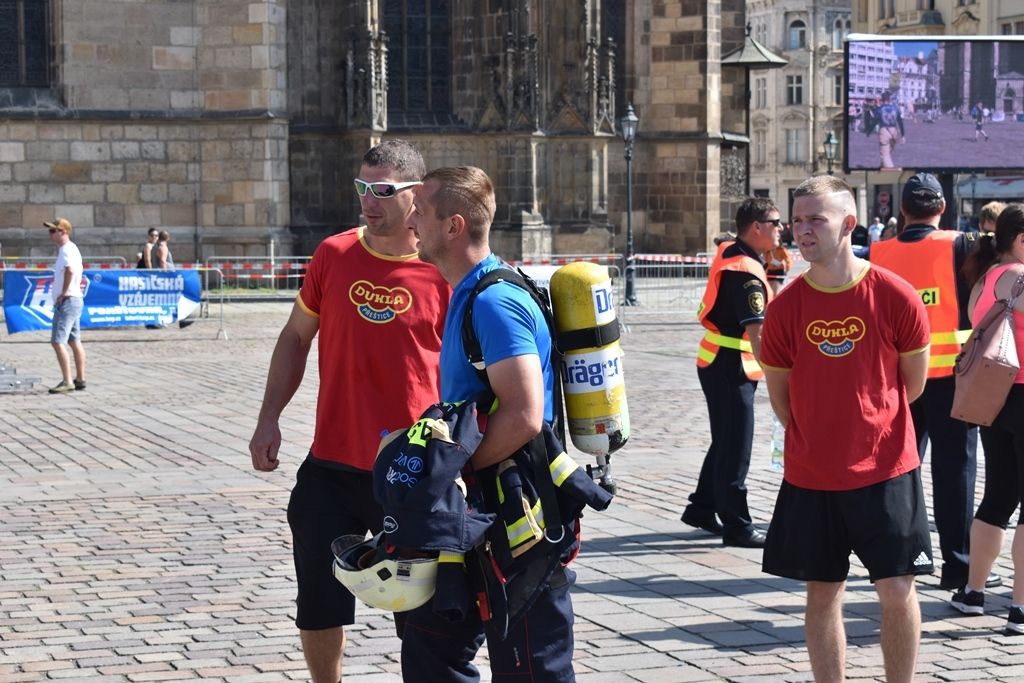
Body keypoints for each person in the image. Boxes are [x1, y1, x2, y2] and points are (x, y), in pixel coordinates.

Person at [247, 140, 449, 683]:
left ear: (416, 195)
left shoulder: (443, 272)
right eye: (363, 188)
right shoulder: (333, 255)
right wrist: (269, 417)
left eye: (382, 191)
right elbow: (295, 338)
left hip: (410, 473)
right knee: (317, 600)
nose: (368, 201)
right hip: (331, 464)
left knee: (421, 614)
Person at [402, 165, 578, 681]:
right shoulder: (467, 290)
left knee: (530, 667)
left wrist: (456, 470)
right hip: (478, 510)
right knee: (431, 649)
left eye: (421, 212)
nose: (410, 221)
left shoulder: (496, 302)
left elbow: (523, 414)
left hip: (518, 510)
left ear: (453, 226)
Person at [759, 176, 933, 683]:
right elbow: (781, 396)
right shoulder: (786, 306)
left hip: (886, 468)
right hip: (813, 474)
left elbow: (912, 385)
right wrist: (821, 435)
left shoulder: (895, 295)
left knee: (897, 590)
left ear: (849, 225)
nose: (803, 230)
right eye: (798, 220)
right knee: (822, 592)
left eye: (817, 219)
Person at [871, 172, 996, 592]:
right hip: (951, 378)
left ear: (902, 210)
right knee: (955, 472)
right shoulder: (961, 244)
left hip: (896, 380)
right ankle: (957, 567)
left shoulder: (878, 252)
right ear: (941, 208)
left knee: (898, 469)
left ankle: (899, 556)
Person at [681, 197, 781, 548]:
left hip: (717, 359)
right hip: (731, 366)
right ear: (756, 228)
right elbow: (757, 333)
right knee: (736, 446)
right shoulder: (746, 273)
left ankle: (701, 507)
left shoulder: (733, 252)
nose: (781, 229)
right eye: (776, 222)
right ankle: (737, 526)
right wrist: (780, 374)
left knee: (725, 439)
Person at [949, 203, 1024, 635]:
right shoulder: (1019, 278)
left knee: (997, 497)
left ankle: (974, 592)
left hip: (995, 400)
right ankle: (1019, 606)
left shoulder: (984, 279)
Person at [44, 218, 87, 394]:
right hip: (75, 299)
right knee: (74, 341)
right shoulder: (71, 248)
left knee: (57, 341)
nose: (50, 234)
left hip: (68, 300)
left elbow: (69, 270)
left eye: (53, 231)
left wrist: (63, 292)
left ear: (64, 231)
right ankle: (80, 378)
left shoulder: (66, 250)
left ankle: (67, 380)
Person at [876, 92, 904, 169]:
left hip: (884, 130)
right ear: (889, 99)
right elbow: (900, 122)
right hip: (894, 132)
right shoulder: (896, 108)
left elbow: (874, 120)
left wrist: (868, 131)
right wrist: (903, 135)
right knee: (887, 152)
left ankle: (891, 171)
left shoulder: (880, 109)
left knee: (885, 155)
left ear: (882, 99)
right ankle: (882, 167)